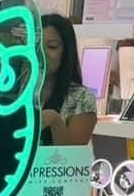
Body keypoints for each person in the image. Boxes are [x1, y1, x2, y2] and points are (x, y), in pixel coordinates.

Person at [40, 13, 97, 146]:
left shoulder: (81, 98)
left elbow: (71, 159)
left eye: (52, 47)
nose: (41, 54)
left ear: (66, 52)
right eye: (36, 46)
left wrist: (55, 121)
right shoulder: (16, 92)